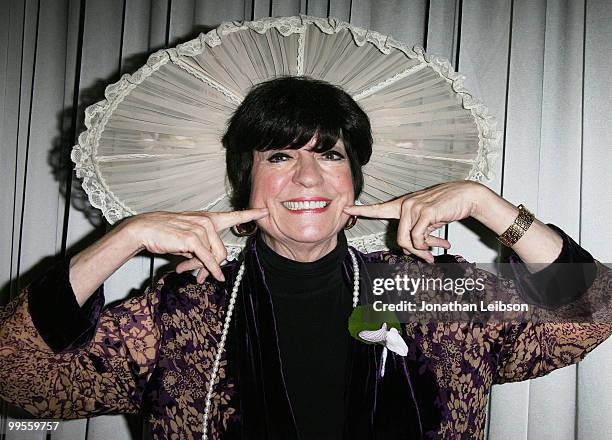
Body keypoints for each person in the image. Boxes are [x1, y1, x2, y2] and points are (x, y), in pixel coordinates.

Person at [0, 76, 610, 440]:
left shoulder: (425, 293)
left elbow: (594, 311)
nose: (309, 177)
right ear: (248, 181)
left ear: (356, 180)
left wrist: (489, 205)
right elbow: (20, 379)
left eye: (332, 154)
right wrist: (125, 238)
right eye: (281, 157)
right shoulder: (186, 306)